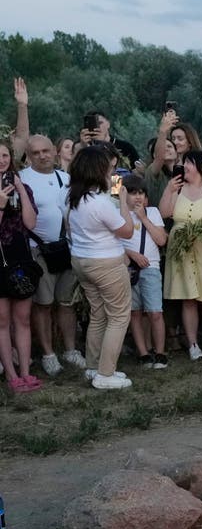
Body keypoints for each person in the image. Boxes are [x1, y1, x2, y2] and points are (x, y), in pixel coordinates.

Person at [67, 145, 136, 389]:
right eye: (108, 169)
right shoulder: (99, 202)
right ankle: (106, 374)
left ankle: (93, 367)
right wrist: (124, 202)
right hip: (106, 263)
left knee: (98, 314)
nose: (111, 173)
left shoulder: (75, 197)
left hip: (82, 261)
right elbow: (127, 230)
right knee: (118, 316)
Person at [21, 134, 86, 376]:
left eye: (46, 151)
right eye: (36, 153)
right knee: (43, 304)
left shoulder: (65, 178)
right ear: (28, 156)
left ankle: (69, 350)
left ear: (54, 152)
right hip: (38, 249)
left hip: (66, 247)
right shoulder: (23, 179)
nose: (42, 156)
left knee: (67, 302)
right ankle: (48, 354)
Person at [160, 151, 202, 360]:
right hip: (181, 250)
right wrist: (169, 191)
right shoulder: (177, 188)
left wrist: (200, 227)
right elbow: (163, 213)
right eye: (183, 162)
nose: (184, 166)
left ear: (199, 165)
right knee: (188, 299)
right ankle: (193, 345)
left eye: (188, 162)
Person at [0, 137, 40, 391]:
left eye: (4, 156)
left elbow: (31, 223)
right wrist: (1, 205)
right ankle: (11, 375)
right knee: (2, 321)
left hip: (21, 257)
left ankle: (26, 371)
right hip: (0, 260)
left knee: (23, 318)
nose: (1, 161)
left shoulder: (22, 186)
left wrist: (21, 190)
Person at [121, 175, 169, 368]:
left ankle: (159, 352)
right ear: (124, 196)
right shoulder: (119, 214)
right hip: (129, 268)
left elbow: (161, 240)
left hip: (151, 267)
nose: (137, 197)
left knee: (155, 312)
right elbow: (115, 243)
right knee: (135, 312)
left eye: (141, 193)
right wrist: (132, 255)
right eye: (132, 193)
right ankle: (143, 353)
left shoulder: (153, 212)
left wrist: (143, 218)